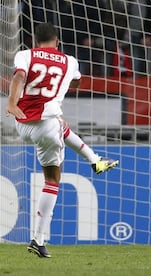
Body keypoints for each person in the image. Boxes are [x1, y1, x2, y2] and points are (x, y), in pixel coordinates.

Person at [5, 23, 95, 258]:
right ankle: (38, 239)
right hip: (46, 125)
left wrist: (12, 102)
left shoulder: (25, 54)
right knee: (53, 178)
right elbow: (77, 82)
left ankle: (93, 157)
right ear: (57, 42)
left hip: (22, 122)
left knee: (60, 125)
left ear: (36, 42)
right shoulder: (70, 61)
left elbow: (20, 76)